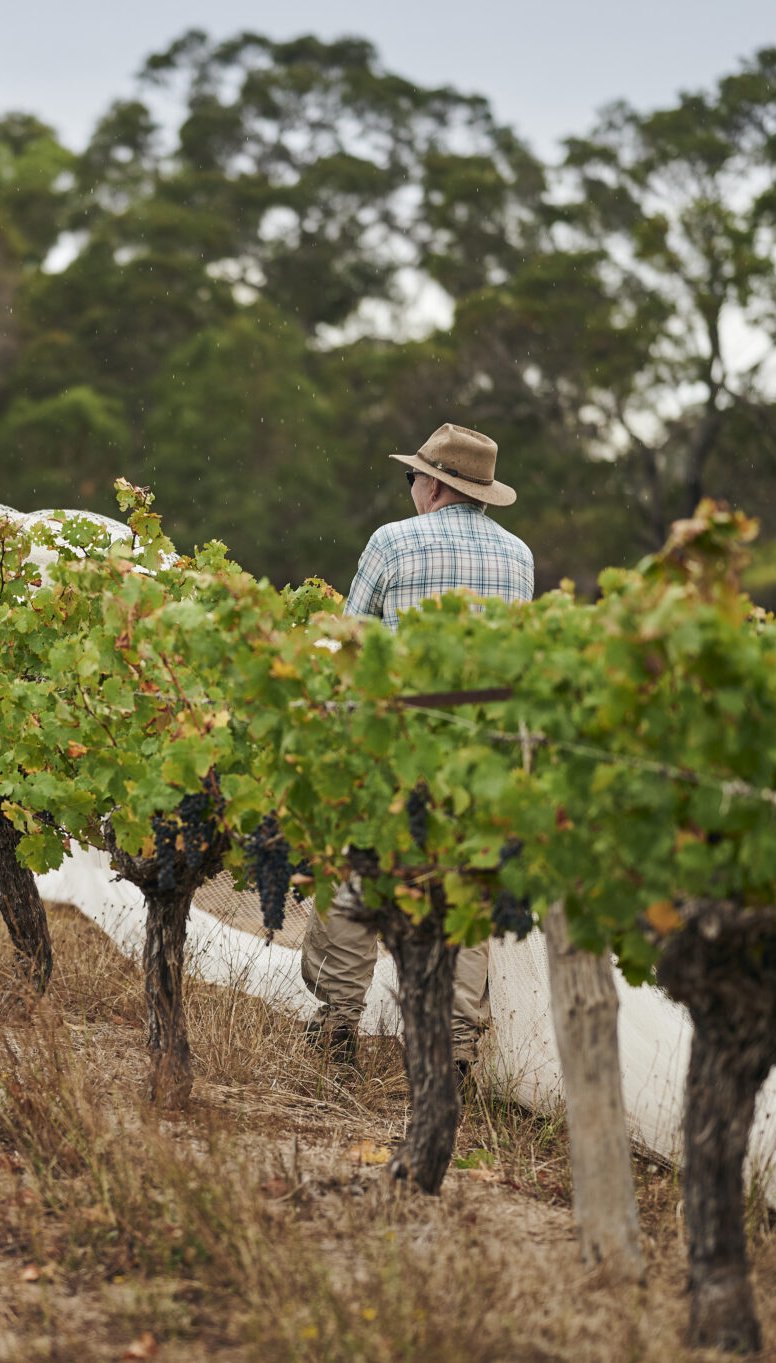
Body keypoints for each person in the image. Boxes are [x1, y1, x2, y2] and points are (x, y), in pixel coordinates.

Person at [301, 422, 535, 1069]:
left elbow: (350, 646)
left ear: (432, 484)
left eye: (413, 477)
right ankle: (454, 1051)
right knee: (462, 898)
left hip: (395, 748)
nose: (411, 487)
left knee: (355, 879)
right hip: (480, 764)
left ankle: (338, 1023)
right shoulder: (520, 558)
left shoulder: (392, 543)